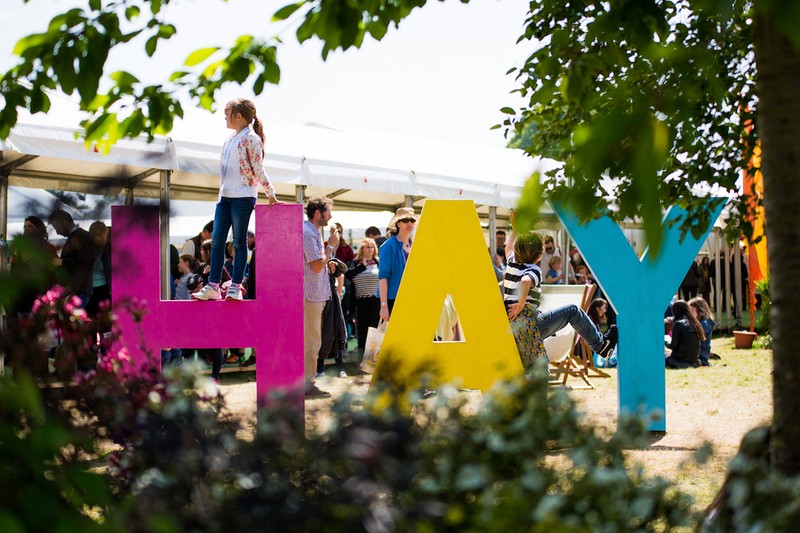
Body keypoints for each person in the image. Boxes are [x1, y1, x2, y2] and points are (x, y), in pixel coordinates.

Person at [192, 98, 281, 302]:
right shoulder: (230, 139)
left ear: (238, 116)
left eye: (227, 113)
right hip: (225, 197)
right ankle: (213, 285)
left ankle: (236, 286)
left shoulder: (252, 139)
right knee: (216, 241)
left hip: (242, 197)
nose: (225, 117)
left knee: (239, 242)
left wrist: (270, 193)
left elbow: (258, 168)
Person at [504, 230, 618, 375]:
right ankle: (601, 345)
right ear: (540, 255)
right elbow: (525, 281)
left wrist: (515, 229)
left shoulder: (511, 264)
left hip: (513, 327)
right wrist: (520, 305)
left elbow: (508, 248)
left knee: (533, 368)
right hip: (531, 324)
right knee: (573, 311)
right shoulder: (534, 270)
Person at [303, 196, 339, 397]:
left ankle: (307, 382)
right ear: (317, 213)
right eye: (328, 212)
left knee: (313, 340)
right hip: (310, 296)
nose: (330, 216)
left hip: (314, 295)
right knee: (312, 341)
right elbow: (316, 265)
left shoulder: (311, 232)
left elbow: (317, 264)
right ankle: (307, 385)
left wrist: (328, 262)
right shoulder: (308, 232)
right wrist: (331, 246)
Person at [48, 209, 96, 308]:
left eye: (57, 227)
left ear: (65, 223)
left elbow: (85, 263)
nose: (57, 232)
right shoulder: (76, 236)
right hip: (75, 290)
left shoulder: (84, 237)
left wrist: (62, 262)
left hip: (79, 291)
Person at [378, 207, 418, 321]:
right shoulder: (388, 245)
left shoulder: (415, 246)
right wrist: (384, 305)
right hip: (392, 299)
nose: (409, 223)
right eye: (405, 220)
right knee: (392, 338)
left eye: (412, 220)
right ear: (398, 223)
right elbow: (383, 277)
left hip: (412, 298)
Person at [345, 237, 381, 355]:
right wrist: (362, 267)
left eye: (372, 247)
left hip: (376, 300)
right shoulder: (355, 263)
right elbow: (348, 276)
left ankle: (373, 358)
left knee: (375, 329)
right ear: (362, 249)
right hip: (360, 301)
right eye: (367, 247)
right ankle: (362, 358)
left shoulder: (379, 262)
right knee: (362, 330)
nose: (370, 249)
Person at [316, 258, 349, 378]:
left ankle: (340, 369)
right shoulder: (314, 263)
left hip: (332, 303)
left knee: (336, 334)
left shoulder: (328, 261)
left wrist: (339, 295)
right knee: (320, 335)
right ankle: (319, 370)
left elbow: (342, 271)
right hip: (317, 302)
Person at [664, 300, 703, 369]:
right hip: (694, 360)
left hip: (680, 360)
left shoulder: (678, 324)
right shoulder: (695, 323)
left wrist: (666, 343)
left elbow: (673, 345)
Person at [85, 221, 111, 318]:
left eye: (104, 236)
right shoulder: (86, 248)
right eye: (100, 236)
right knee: (91, 319)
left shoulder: (107, 249)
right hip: (89, 290)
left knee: (105, 320)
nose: (103, 239)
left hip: (104, 288)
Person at [689, 296, 716, 366]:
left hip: (700, 356)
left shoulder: (704, 324)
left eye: (692, 310)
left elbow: (695, 342)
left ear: (700, 310)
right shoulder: (701, 322)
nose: (690, 313)